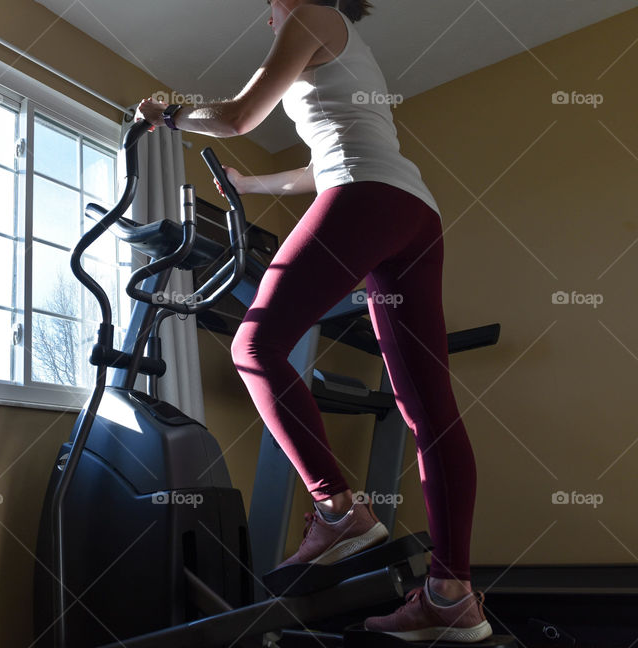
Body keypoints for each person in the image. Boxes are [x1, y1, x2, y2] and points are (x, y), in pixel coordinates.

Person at [134, 0, 492, 642]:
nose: (268, 16)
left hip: (365, 194)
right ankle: (451, 596)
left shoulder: (311, 16)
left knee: (254, 345)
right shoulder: (345, 46)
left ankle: (337, 510)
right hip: (412, 211)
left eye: (268, 5)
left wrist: (170, 113)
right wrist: (250, 184)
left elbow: (242, 116)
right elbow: (323, 161)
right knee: (428, 408)